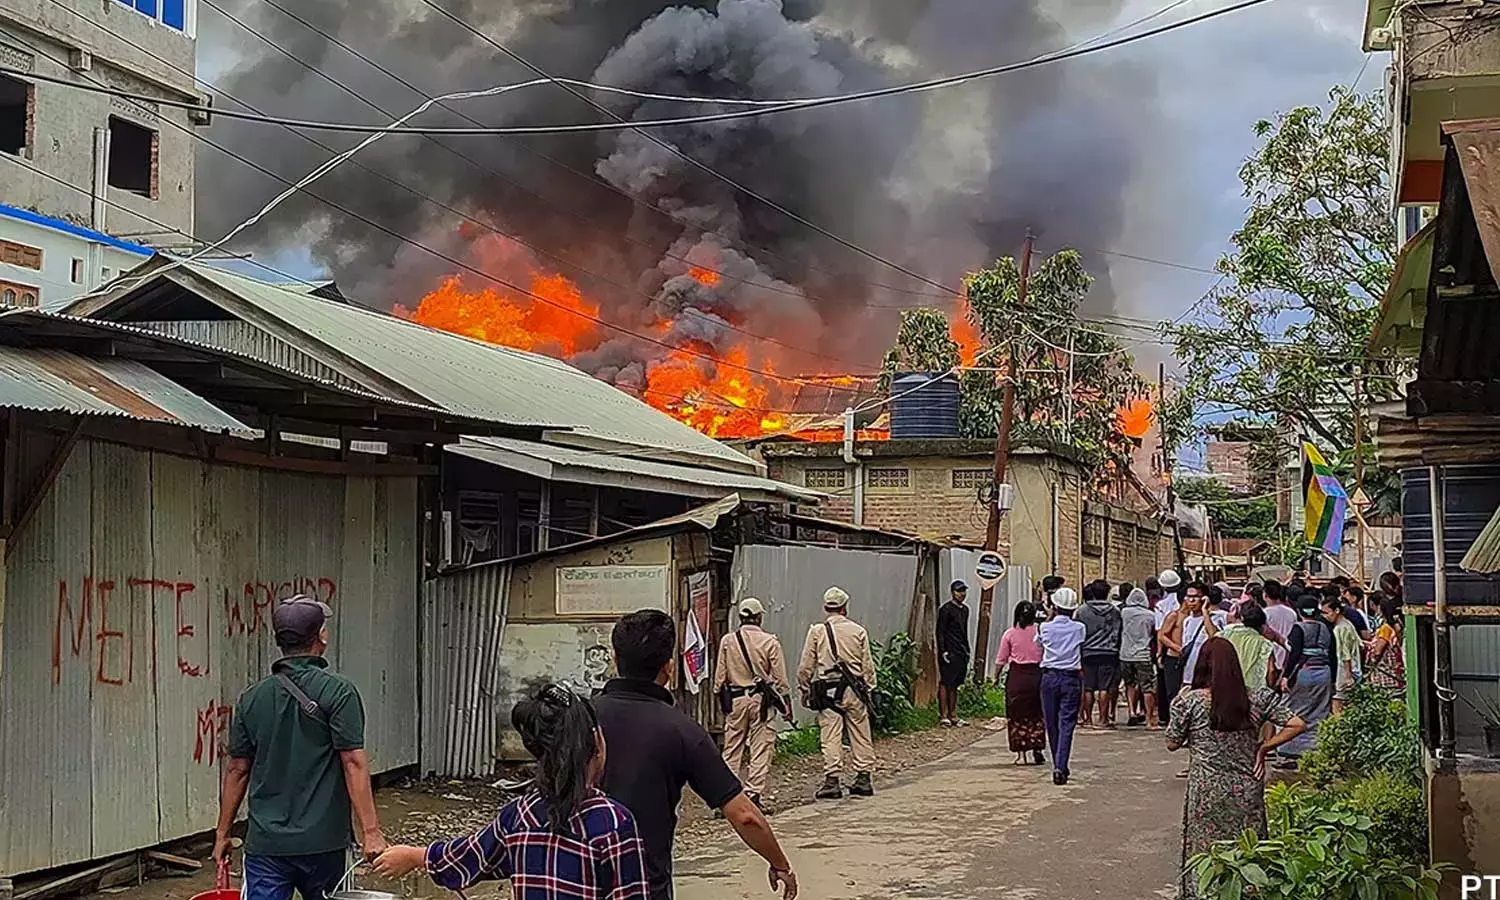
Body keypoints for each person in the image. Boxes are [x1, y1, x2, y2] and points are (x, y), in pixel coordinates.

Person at [372, 683, 649, 898]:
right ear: (596, 743)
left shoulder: (520, 816)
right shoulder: (613, 824)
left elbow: (472, 855)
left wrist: (414, 856)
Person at [595, 610, 797, 900]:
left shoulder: (580, 719)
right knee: (757, 748)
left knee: (735, 746)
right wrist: (780, 864)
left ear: (615, 658)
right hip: (643, 885)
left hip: (573, 881)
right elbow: (744, 816)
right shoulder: (681, 731)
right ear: (668, 667)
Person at [215, 597, 386, 900]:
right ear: (320, 636)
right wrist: (371, 833)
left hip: (267, 845)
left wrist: (222, 834)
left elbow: (237, 770)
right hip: (325, 843)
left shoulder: (251, 698)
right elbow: (353, 763)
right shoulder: (339, 691)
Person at [1165, 638, 1306, 900]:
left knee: (1204, 851)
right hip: (1246, 786)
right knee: (1249, 849)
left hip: (1206, 788)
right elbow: (1297, 724)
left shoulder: (1190, 702)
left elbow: (1172, 743)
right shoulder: (1257, 698)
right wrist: (1264, 747)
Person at [798, 587, 878, 800]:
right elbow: (867, 665)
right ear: (845, 607)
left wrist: (804, 688)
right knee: (860, 733)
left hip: (828, 690)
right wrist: (869, 688)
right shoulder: (858, 631)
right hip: (854, 689)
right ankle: (863, 777)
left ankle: (832, 780)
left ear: (826, 607)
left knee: (830, 735)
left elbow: (806, 665)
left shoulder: (817, 631)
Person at [712, 598, 791, 810]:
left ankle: (727, 798)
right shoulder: (770, 642)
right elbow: (780, 678)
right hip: (761, 701)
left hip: (736, 699)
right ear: (759, 617)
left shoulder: (728, 641)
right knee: (761, 747)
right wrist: (786, 702)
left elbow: (720, 677)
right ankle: (753, 794)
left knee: (732, 748)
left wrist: (720, 698)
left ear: (741, 617)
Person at [1037, 587, 1086, 785]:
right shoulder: (1079, 628)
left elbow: (1039, 643)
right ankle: (1060, 764)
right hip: (1071, 678)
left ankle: (1058, 763)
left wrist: (1049, 617)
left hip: (1049, 677)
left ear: (1055, 606)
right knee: (1066, 723)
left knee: (1051, 723)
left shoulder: (1045, 627)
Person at [1277, 592, 1335, 759]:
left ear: (1299, 610)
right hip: (1324, 674)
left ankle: (1291, 748)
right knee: (1321, 711)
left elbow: (1294, 655)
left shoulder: (1298, 628)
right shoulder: (1326, 628)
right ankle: (1316, 747)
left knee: (1295, 710)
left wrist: (1286, 676)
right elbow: (1333, 655)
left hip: (1303, 673)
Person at [995, 600, 1046, 764]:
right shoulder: (1040, 632)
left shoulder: (1009, 634)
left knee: (1017, 715)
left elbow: (1001, 660)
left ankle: (1021, 754)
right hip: (1037, 676)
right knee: (1037, 714)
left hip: (1017, 677)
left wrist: (995, 678)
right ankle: (1037, 747)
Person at [1076, 579, 1123, 728]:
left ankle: (1088, 719)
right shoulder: (1115, 611)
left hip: (1088, 652)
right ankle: (1103, 719)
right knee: (1105, 688)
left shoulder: (1082, 610)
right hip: (1109, 652)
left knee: (1088, 687)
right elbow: (1119, 632)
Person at [1119, 587, 1159, 728]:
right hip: (1143, 654)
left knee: (1130, 684)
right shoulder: (1150, 615)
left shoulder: (1124, 613)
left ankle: (1131, 712)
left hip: (1125, 654)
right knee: (1147, 687)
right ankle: (1149, 719)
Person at [936, 580, 972, 727]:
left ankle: (953, 714)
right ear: (953, 592)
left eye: (963, 591)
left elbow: (964, 631)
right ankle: (943, 715)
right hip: (948, 650)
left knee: (955, 683)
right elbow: (940, 631)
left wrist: (967, 649)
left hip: (960, 650)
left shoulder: (965, 610)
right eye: (959, 591)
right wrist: (943, 650)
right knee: (946, 681)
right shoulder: (946, 609)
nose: (962, 594)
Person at [1220, 603, 1275, 692]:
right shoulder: (1265, 643)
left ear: (1241, 618)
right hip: (1253, 691)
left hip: (1225, 689)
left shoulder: (1223, 635)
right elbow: (1271, 671)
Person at [1323, 591, 1362, 715]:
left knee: (1337, 705)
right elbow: (1361, 644)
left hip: (1344, 672)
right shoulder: (1348, 624)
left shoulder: (1340, 628)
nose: (1325, 616)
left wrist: (1348, 675)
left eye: (1327, 612)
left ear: (1337, 611)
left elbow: (1345, 654)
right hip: (1354, 669)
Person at [1154, 570, 1183, 725]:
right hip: (1182, 645)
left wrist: (1159, 652)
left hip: (1169, 647)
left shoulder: (1160, 605)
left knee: (1166, 684)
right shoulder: (1182, 602)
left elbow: (1159, 629)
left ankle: (1166, 716)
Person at [1367, 593, 1406, 695]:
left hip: (1385, 673)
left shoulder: (1385, 628)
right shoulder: (1395, 626)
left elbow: (1378, 651)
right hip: (1393, 671)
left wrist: (1371, 661)